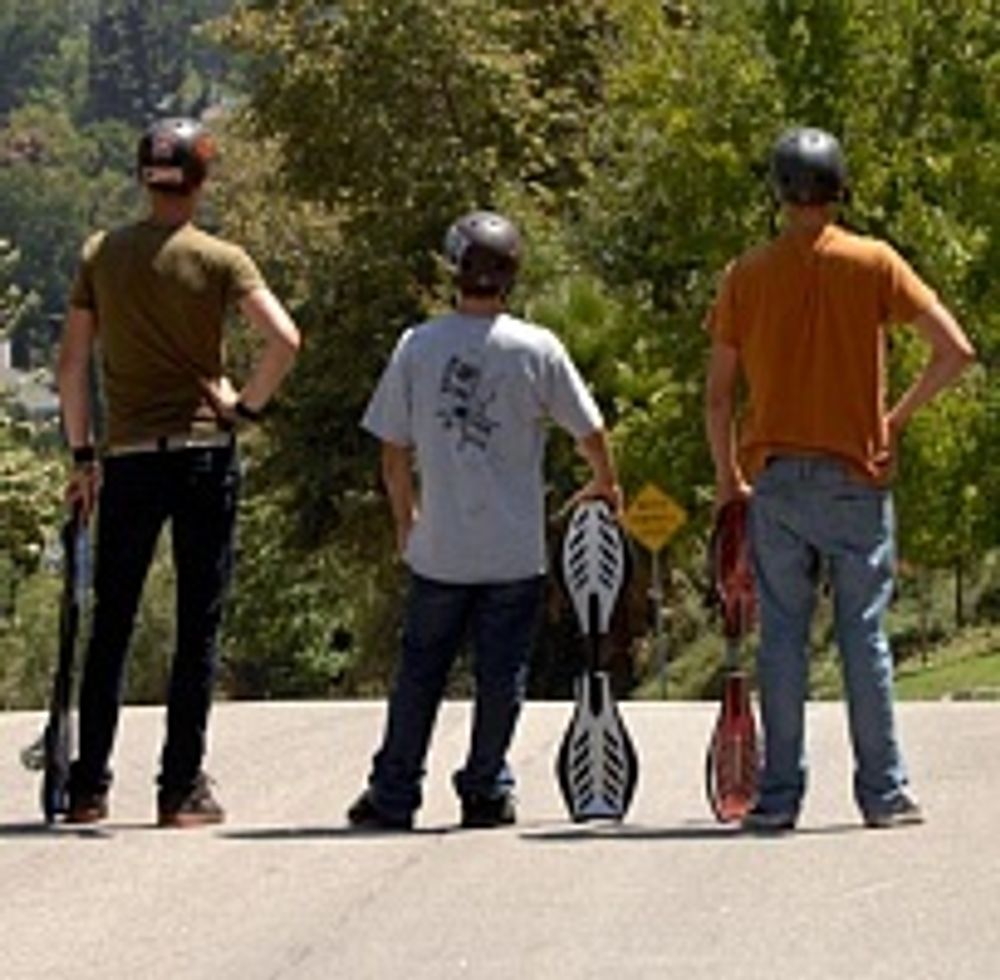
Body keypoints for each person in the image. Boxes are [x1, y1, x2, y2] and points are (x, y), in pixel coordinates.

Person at [705, 127, 975, 832]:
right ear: (838, 190)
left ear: (779, 193)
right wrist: (894, 419)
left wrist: (728, 479)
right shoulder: (874, 262)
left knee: (782, 639)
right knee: (863, 635)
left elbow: (718, 396)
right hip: (857, 475)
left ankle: (778, 798)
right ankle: (882, 793)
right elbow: (955, 351)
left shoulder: (746, 275)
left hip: (776, 480)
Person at [56, 117, 300, 827]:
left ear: (144, 178)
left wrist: (82, 456)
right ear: (200, 181)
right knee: (199, 622)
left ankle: (88, 785)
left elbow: (71, 365)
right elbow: (284, 339)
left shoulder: (102, 255)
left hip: (128, 457)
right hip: (202, 455)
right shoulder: (221, 259)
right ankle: (180, 788)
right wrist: (243, 407)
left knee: (112, 621)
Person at [348, 210, 620, 830]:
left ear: (454, 271)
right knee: (501, 676)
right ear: (512, 275)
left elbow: (392, 451)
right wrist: (607, 483)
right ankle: (485, 788)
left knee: (420, 674)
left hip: (440, 547)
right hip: (513, 550)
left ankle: (394, 793)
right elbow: (590, 430)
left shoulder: (418, 346)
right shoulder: (537, 348)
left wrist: (405, 520)